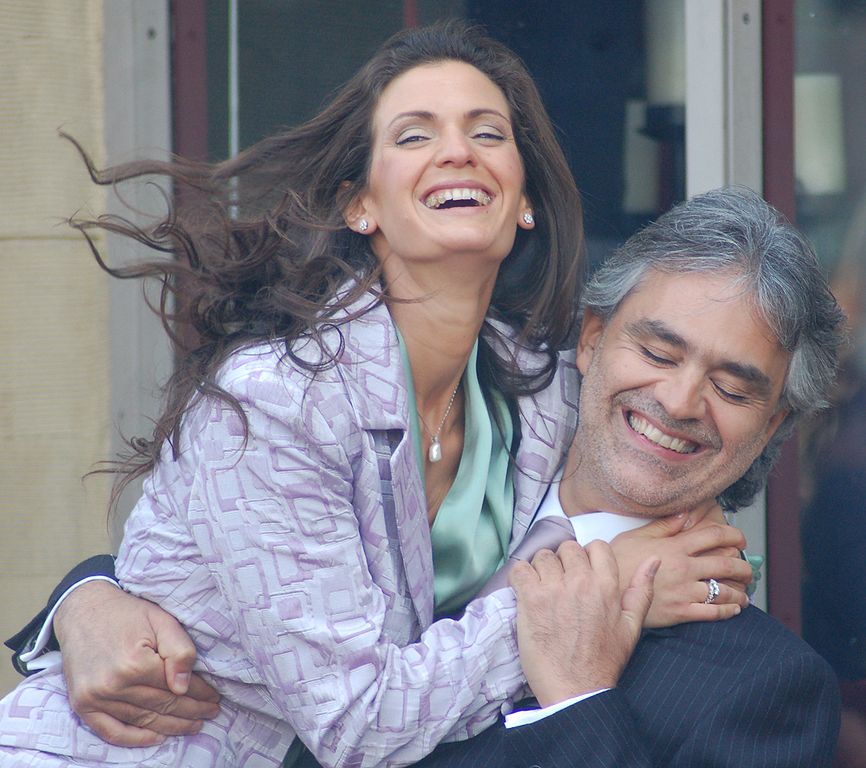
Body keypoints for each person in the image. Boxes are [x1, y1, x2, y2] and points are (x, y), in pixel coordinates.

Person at [0, 22, 751, 768]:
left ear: (525, 201)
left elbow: (650, 465)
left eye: (487, 133)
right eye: (414, 136)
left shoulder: (545, 389)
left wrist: (690, 526)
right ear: (361, 205)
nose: (457, 151)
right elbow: (356, 723)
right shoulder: (277, 402)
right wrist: (606, 592)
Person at [404, 186, 845, 767]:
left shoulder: (770, 688)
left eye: (732, 388)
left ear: (769, 428)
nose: (682, 400)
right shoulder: (415, 496)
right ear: (591, 338)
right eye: (660, 354)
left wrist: (579, 698)